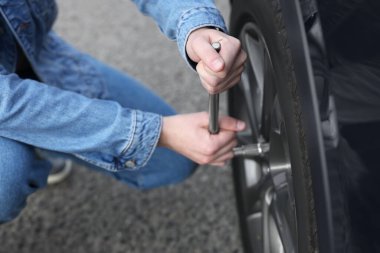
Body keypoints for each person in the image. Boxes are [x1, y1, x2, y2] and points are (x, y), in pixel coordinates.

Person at [0, 0, 247, 223]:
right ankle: (29, 144)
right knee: (9, 173)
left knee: (173, 162)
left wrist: (196, 26)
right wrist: (160, 132)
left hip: (36, 60)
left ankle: (44, 137)